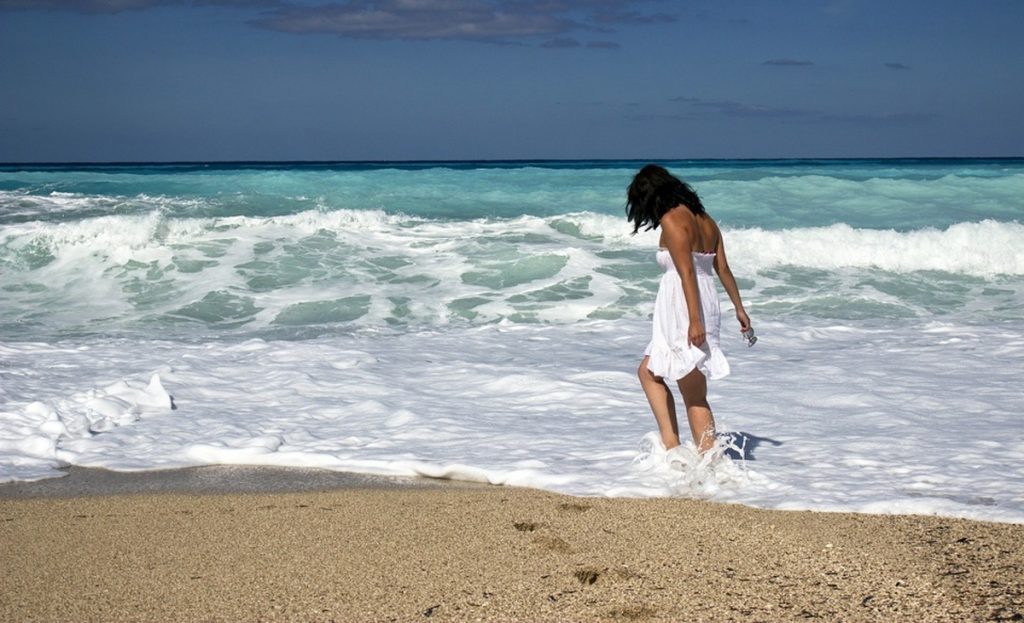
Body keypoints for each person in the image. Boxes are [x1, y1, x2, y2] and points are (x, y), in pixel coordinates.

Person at [626, 164, 752, 454]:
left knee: (689, 390)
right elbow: (722, 268)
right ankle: (685, 453)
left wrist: (695, 322)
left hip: (686, 307)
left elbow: (687, 274)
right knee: (655, 374)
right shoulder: (707, 221)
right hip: (705, 301)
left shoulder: (673, 220)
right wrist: (739, 308)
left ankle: (696, 460)